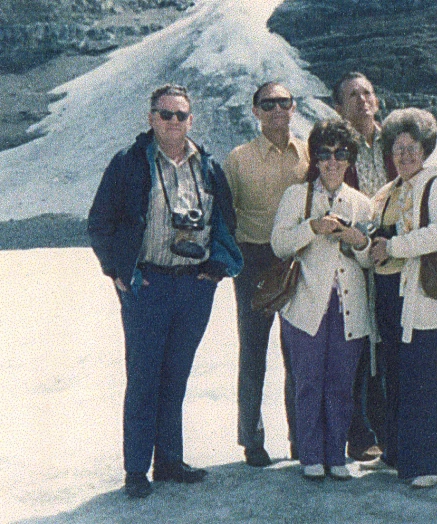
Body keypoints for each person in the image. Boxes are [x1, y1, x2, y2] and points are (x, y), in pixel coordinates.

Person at [88, 84, 243, 499]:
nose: (173, 122)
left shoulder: (207, 166)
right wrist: (116, 270)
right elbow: (99, 222)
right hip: (148, 284)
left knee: (176, 375)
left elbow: (227, 220)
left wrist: (216, 268)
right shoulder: (130, 164)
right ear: (151, 118)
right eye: (165, 114)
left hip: (194, 286)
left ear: (191, 120)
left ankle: (169, 461)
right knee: (143, 378)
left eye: (181, 115)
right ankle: (137, 469)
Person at [271, 119, 374, 480]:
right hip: (304, 305)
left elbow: (367, 260)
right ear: (314, 158)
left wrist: (356, 240)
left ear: (350, 159)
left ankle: (337, 455)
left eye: (341, 154)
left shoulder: (361, 204)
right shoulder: (296, 197)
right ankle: (311, 455)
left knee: (341, 383)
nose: (332, 161)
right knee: (308, 382)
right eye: (325, 154)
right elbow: (279, 244)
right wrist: (312, 228)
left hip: (348, 306)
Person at [368, 108, 437, 488]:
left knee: (421, 375)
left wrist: (397, 246)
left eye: (412, 147)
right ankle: (397, 452)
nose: (405, 155)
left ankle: (426, 463)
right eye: (398, 148)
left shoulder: (436, 185)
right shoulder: (387, 192)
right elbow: (375, 240)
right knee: (396, 373)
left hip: (419, 294)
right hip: (390, 294)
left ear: (425, 149)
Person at [223, 82, 309, 467]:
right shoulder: (238, 159)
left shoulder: (309, 153)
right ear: (255, 111)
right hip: (254, 259)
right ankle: (251, 439)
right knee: (254, 352)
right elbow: (225, 215)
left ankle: (301, 438)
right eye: (268, 104)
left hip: (298, 258)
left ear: (294, 108)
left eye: (284, 102)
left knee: (299, 353)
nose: (277, 109)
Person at [333, 71, 396, 462]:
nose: (362, 100)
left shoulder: (395, 141)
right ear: (339, 106)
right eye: (352, 95)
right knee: (356, 343)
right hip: (352, 255)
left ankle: (388, 427)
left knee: (387, 341)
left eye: (368, 92)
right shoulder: (335, 146)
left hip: (393, 252)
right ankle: (359, 431)